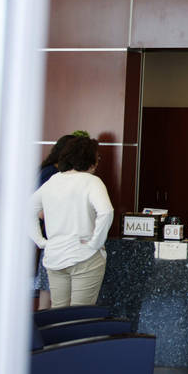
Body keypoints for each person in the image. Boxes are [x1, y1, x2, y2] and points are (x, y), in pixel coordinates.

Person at [30, 136, 114, 308]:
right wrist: (95, 243)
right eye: (97, 157)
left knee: (59, 312)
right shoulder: (92, 182)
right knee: (80, 315)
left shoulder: (53, 181)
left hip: (55, 256)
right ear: (90, 159)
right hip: (84, 255)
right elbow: (106, 212)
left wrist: (41, 241)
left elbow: (26, 210)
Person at [33, 133, 82, 310]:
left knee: (50, 297)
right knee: (50, 300)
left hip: (54, 243)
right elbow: (39, 211)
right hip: (54, 242)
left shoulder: (51, 172)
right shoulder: (52, 174)